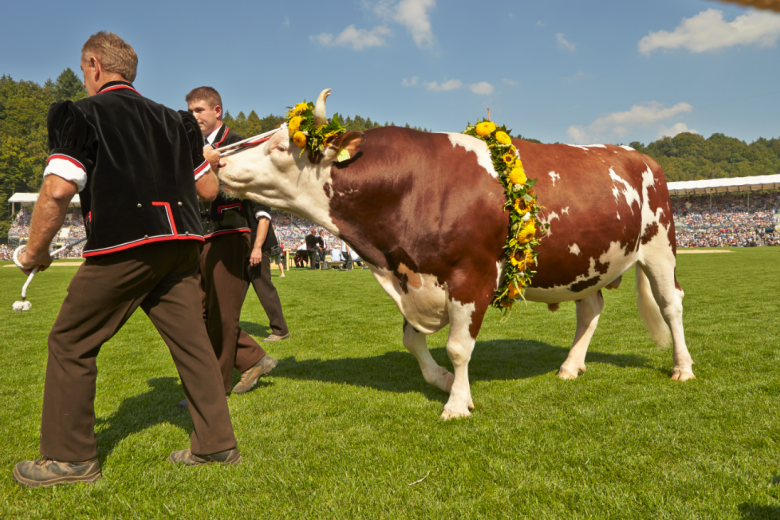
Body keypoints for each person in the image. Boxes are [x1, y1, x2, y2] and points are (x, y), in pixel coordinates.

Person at [13, 32, 240, 488]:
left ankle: (69, 459)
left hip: (126, 244)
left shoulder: (78, 113)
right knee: (194, 346)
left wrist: (33, 252)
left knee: (70, 341)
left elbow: (58, 189)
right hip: (181, 244)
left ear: (93, 65)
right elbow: (209, 190)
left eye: (83, 70)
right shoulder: (177, 121)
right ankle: (216, 443)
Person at [186, 86, 276, 398]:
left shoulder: (239, 145)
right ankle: (253, 358)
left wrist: (256, 244)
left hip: (231, 233)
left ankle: (214, 389)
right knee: (196, 311)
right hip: (199, 236)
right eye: (191, 111)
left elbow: (261, 199)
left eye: (199, 110)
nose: (194, 116)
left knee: (222, 313)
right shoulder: (193, 147)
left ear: (217, 111)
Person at [243, 202, 291, 342]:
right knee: (233, 292)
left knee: (264, 287)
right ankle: (225, 328)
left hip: (257, 248)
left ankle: (280, 330)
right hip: (243, 248)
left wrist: (257, 248)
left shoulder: (254, 193)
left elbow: (264, 219)